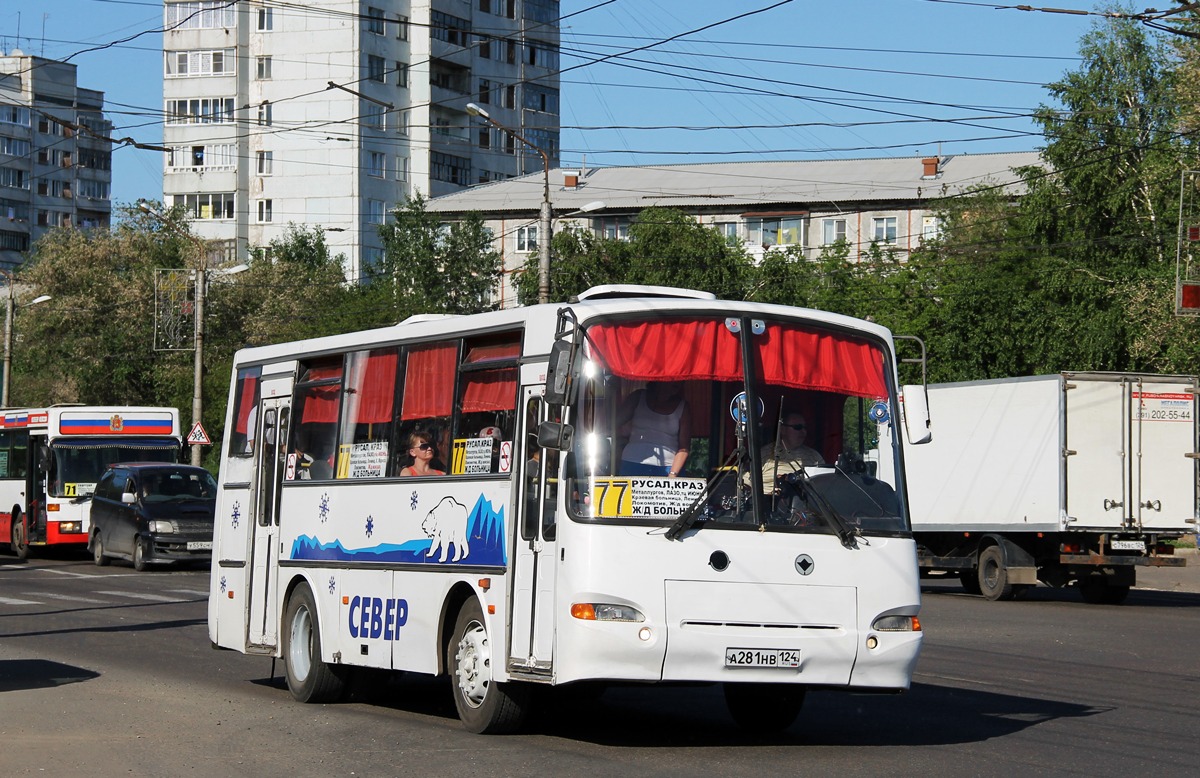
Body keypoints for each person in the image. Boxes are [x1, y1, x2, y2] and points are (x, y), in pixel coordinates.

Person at [618, 380, 691, 477]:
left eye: (680, 380)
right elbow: (614, 422)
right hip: (632, 461)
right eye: (671, 378)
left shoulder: (683, 407)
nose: (676, 382)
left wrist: (673, 474)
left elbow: (684, 448)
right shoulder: (638, 397)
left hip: (669, 466)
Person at [759, 411, 824, 492]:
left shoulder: (815, 456)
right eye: (798, 427)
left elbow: (823, 485)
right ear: (783, 430)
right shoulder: (764, 455)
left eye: (805, 428)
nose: (803, 432)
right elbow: (747, 483)